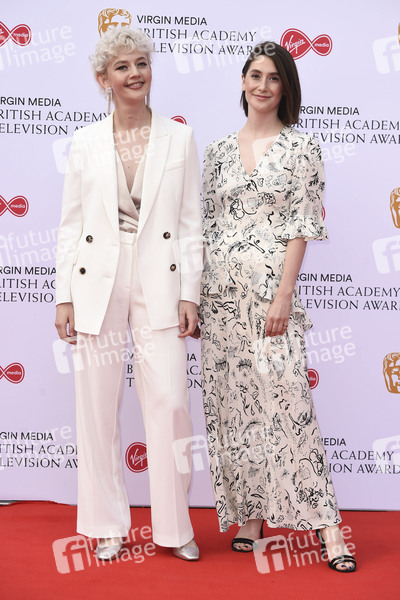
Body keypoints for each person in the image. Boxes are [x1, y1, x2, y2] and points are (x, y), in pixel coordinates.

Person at [200, 41, 356, 572]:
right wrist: (196, 297)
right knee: (235, 409)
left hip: (270, 295)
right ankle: (251, 516)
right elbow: (208, 228)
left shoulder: (302, 147)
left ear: (285, 87)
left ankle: (329, 529)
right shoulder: (218, 150)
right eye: (255, 75)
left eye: (273, 78)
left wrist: (284, 295)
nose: (262, 86)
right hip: (221, 298)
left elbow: (302, 225)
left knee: (290, 406)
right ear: (242, 82)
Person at [55, 27, 202, 562]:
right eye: (122, 66)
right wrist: (64, 295)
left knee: (170, 402)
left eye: (141, 63)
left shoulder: (179, 137)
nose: (135, 73)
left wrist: (190, 293)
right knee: (96, 404)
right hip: (97, 275)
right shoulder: (84, 142)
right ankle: (106, 523)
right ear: (104, 79)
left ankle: (175, 527)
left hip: (160, 276)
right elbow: (71, 224)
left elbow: (190, 224)